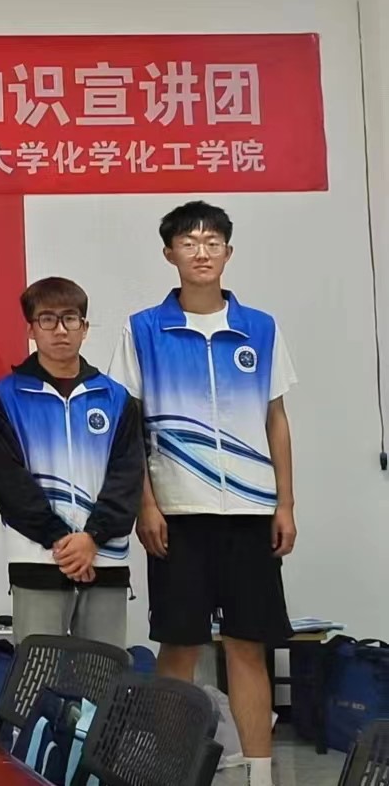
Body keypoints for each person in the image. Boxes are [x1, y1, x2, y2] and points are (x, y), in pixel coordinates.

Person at [107, 201, 297, 786]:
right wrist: (145, 504)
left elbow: (276, 419)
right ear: (170, 254)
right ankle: (173, 772)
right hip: (177, 515)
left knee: (248, 644)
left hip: (249, 512)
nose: (201, 251)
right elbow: (127, 427)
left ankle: (260, 775)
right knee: (179, 647)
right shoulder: (143, 329)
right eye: (189, 242)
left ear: (228, 252)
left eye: (212, 241)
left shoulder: (260, 328)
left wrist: (285, 503)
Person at [0, 277, 142, 647]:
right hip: (38, 557)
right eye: (47, 319)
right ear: (30, 329)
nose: (59, 330)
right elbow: (7, 480)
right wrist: (59, 538)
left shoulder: (115, 397)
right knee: (39, 673)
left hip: (105, 558)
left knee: (102, 672)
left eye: (70, 319)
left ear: (84, 328)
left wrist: (93, 538)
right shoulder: (6, 396)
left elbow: (127, 476)